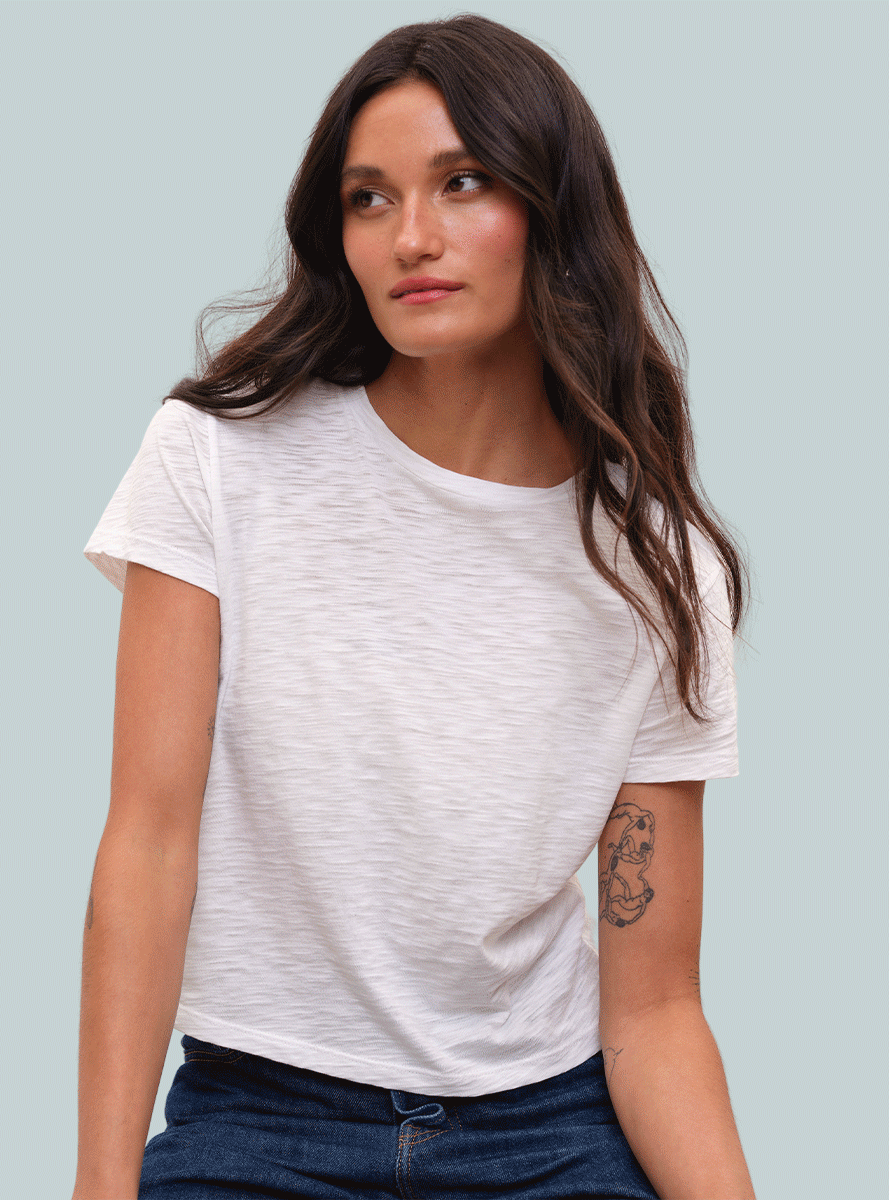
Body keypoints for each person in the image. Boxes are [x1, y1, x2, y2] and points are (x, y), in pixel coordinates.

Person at [74, 14, 754, 1200]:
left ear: (554, 209)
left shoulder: (652, 562)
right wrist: (98, 1187)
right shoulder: (218, 461)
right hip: (262, 1117)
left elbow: (653, 1008)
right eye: (369, 198)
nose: (412, 237)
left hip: (550, 1128)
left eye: (463, 182)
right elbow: (148, 843)